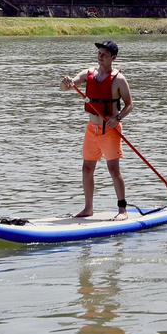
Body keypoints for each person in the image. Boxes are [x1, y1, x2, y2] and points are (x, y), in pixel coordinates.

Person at [60, 40, 133, 219]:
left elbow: (130, 105)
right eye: (99, 53)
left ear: (113, 58)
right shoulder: (88, 73)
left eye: (105, 54)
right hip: (91, 128)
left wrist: (117, 118)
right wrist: (66, 83)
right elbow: (66, 88)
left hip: (110, 130)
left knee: (113, 170)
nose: (100, 56)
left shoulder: (119, 80)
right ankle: (88, 209)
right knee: (86, 168)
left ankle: (122, 210)